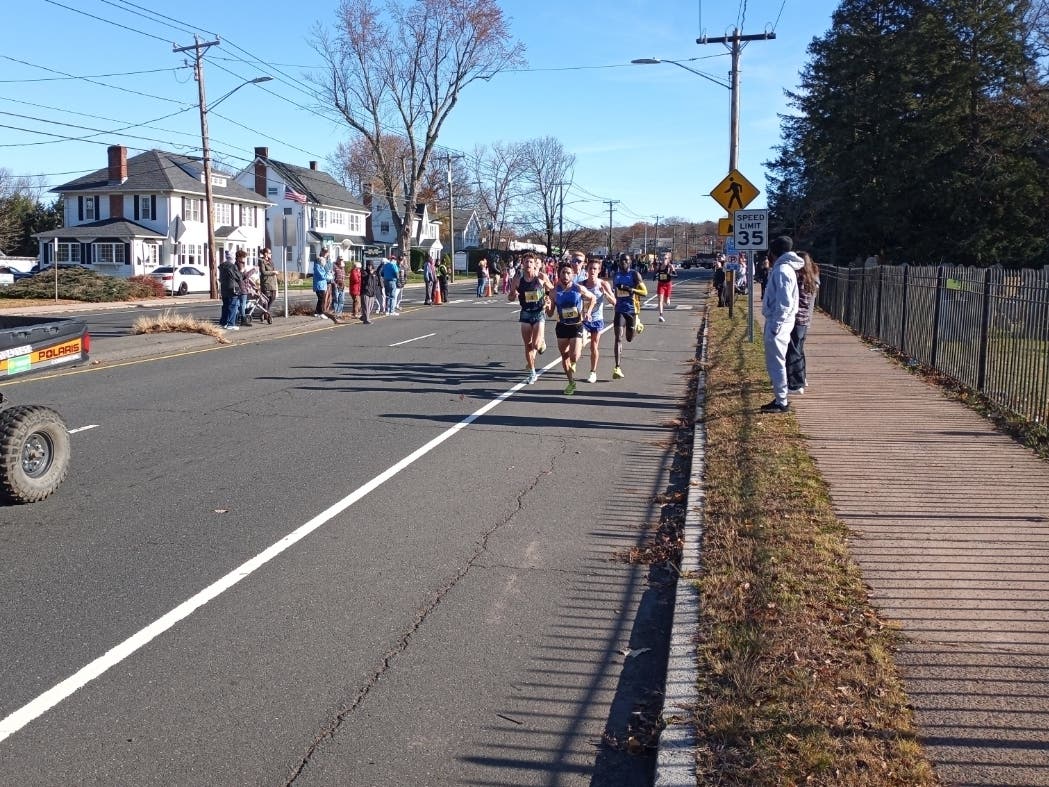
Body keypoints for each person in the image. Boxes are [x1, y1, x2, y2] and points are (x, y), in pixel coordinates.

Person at [760, 236, 805, 413]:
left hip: (779, 323)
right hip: (781, 322)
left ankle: (782, 401)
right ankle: (780, 397)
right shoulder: (785, 269)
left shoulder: (782, 270)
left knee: (776, 363)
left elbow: (784, 302)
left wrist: (775, 326)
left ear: (774, 251)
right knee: (777, 362)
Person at [546, 261, 596, 395]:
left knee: (574, 356)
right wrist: (547, 306)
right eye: (563, 273)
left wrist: (588, 312)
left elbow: (593, 298)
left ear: (573, 275)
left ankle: (583, 340)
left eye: (569, 273)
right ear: (559, 274)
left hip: (576, 326)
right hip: (562, 326)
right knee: (565, 356)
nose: (566, 275)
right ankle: (571, 382)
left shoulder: (578, 288)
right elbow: (550, 314)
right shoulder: (554, 292)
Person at [507, 251, 553, 385]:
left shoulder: (541, 277)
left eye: (531, 262)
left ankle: (541, 342)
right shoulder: (518, 279)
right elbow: (510, 296)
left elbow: (552, 289)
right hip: (526, 312)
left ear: (534, 265)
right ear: (522, 264)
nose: (528, 264)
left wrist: (548, 298)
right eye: (526, 262)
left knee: (536, 345)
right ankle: (532, 372)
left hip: (539, 312)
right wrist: (513, 295)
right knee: (528, 345)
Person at [786, 251, 820, 394]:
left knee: (793, 351)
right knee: (799, 349)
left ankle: (795, 384)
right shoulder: (812, 279)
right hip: (805, 319)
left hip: (796, 318)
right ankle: (802, 377)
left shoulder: (798, 278)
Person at [610, 254, 647, 380]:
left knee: (629, 338)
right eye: (621, 261)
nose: (623, 262)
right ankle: (617, 367)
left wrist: (630, 290)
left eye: (626, 260)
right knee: (618, 338)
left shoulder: (634, 275)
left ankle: (637, 324)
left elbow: (645, 292)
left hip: (632, 310)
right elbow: (615, 292)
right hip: (619, 310)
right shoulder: (616, 275)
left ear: (630, 262)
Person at [581, 257, 615, 383]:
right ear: (587, 269)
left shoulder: (603, 284)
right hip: (583, 319)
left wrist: (605, 293)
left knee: (594, 347)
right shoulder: (582, 285)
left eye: (595, 269)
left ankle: (593, 372)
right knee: (581, 344)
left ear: (599, 270)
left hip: (597, 319)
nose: (592, 271)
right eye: (590, 268)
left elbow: (614, 302)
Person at [218, 251, 242, 331]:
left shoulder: (222, 266)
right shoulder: (232, 266)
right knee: (232, 306)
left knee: (225, 306)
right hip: (232, 289)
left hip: (224, 288)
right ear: (232, 258)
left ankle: (223, 323)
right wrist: (241, 271)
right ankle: (231, 324)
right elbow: (239, 277)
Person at [654, 250, 676, 322]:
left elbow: (675, 274)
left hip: (668, 284)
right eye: (663, 258)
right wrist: (655, 276)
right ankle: (661, 315)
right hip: (660, 284)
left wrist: (671, 274)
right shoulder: (660, 266)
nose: (664, 260)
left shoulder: (670, 266)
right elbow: (656, 273)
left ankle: (668, 299)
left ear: (668, 259)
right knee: (660, 300)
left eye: (665, 258)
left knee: (666, 302)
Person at [258, 248, 277, 323]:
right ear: (265, 253)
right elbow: (263, 272)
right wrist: (273, 272)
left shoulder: (271, 261)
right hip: (266, 282)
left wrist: (274, 272)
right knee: (265, 300)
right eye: (269, 253)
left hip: (272, 282)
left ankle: (264, 312)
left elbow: (273, 269)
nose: (270, 254)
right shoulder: (261, 261)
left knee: (273, 297)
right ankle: (267, 315)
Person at [313, 247, 332, 318]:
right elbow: (322, 275)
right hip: (319, 284)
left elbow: (327, 271)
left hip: (322, 284)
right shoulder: (318, 266)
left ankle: (316, 312)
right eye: (322, 262)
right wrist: (329, 275)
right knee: (321, 298)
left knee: (321, 298)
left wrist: (329, 274)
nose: (324, 263)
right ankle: (320, 313)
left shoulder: (322, 265)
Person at [360, 260, 377, 324]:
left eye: (370, 265)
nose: (369, 267)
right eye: (368, 265)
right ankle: (366, 320)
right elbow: (366, 281)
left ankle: (364, 317)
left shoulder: (375, 273)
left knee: (370, 307)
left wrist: (375, 291)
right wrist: (370, 274)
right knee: (366, 307)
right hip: (365, 292)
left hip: (372, 292)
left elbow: (376, 282)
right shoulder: (364, 272)